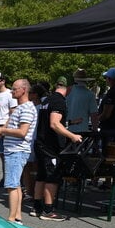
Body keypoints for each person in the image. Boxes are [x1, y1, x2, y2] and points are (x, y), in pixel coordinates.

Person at [31, 78, 82, 220]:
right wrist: (72, 136)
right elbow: (54, 123)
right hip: (50, 146)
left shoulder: (46, 101)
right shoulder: (59, 101)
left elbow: (50, 121)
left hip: (41, 143)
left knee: (41, 175)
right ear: (69, 88)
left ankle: (37, 208)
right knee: (52, 177)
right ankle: (48, 211)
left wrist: (70, 122)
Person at [0, 79, 36, 224]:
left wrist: (2, 130)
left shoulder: (27, 108)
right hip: (14, 150)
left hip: (17, 151)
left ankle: (11, 218)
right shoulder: (20, 108)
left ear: (23, 90)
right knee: (15, 185)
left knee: (11, 185)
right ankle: (17, 216)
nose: (12, 91)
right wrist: (2, 131)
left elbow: (23, 132)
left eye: (15, 89)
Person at [65, 69, 98, 134]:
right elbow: (93, 115)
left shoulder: (67, 91)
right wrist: (95, 130)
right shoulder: (90, 94)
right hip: (82, 130)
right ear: (86, 81)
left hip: (66, 129)